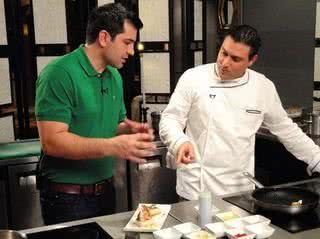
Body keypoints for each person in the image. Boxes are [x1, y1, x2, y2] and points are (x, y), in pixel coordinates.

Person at [159, 25, 320, 200]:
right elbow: (170, 119)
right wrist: (179, 141)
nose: (225, 63)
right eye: (223, 53)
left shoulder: (262, 87)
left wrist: (317, 159)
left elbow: (287, 130)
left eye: (235, 59)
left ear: (251, 60)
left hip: (240, 190)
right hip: (196, 188)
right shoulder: (193, 78)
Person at [35, 3, 155, 224]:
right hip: (67, 198)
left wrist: (128, 128)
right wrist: (115, 145)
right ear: (103, 38)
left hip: (105, 192)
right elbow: (52, 142)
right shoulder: (58, 74)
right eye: (127, 42)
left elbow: (111, 124)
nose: (131, 51)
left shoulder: (114, 76)